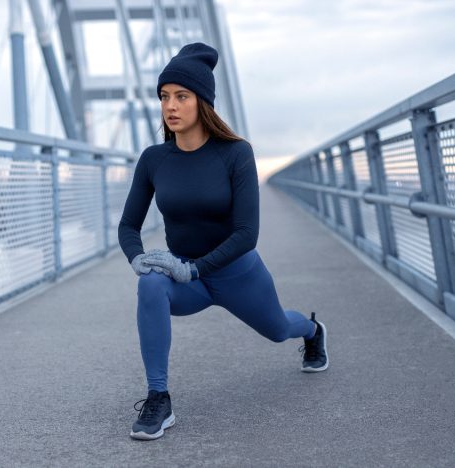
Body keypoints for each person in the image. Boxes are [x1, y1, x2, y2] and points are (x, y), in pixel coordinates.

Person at [117, 42, 328, 441]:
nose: (170, 106)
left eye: (182, 96)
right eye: (164, 97)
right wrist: (137, 258)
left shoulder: (236, 154)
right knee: (149, 285)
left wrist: (195, 267)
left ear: (203, 103)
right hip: (185, 281)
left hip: (236, 275)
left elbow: (248, 234)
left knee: (279, 328)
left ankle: (313, 331)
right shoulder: (153, 159)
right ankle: (158, 398)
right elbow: (128, 225)